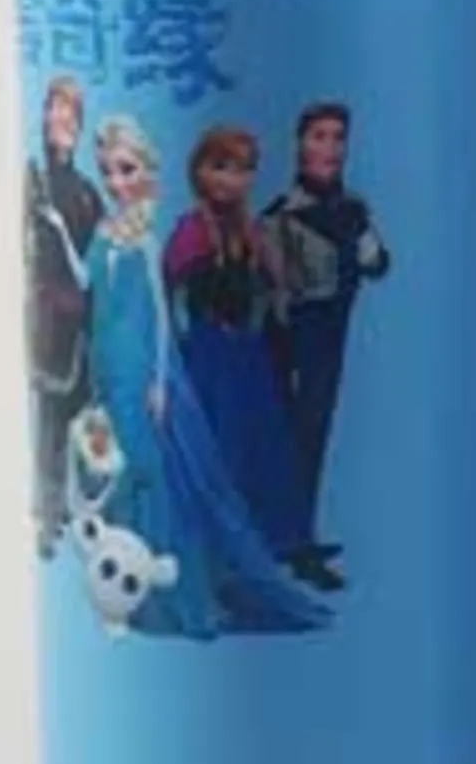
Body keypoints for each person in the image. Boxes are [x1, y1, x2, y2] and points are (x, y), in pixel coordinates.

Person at [82, 114, 330, 637]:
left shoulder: (181, 237)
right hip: (130, 362)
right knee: (124, 468)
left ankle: (200, 573)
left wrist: (161, 374)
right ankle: (130, 585)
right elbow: (122, 298)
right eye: (108, 171)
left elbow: (162, 307)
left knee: (192, 466)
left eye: (126, 170)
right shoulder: (174, 234)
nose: (116, 182)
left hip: (197, 360)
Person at [261, 102, 389, 591]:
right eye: (319, 136)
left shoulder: (352, 209)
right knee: (294, 439)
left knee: (315, 437)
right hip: (294, 343)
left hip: (332, 338)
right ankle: (291, 543)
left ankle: (298, 536)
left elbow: (378, 264)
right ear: (299, 144)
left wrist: (364, 242)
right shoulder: (281, 217)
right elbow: (274, 292)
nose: (330, 148)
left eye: (338, 137)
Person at [162, 124, 302, 559]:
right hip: (209, 351)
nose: (230, 179)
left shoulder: (249, 231)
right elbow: (171, 292)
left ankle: (266, 539)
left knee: (260, 445)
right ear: (199, 170)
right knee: (218, 443)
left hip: (246, 351)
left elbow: (273, 286)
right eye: (220, 166)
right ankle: (216, 543)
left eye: (242, 170)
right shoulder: (191, 231)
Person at [23, 75, 103, 558]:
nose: (63, 121)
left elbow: (95, 264)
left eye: (71, 114)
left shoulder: (87, 192)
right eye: (55, 111)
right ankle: (46, 516)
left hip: (81, 324)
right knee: (49, 423)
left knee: (78, 421)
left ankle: (72, 510)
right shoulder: (32, 180)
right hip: (45, 323)